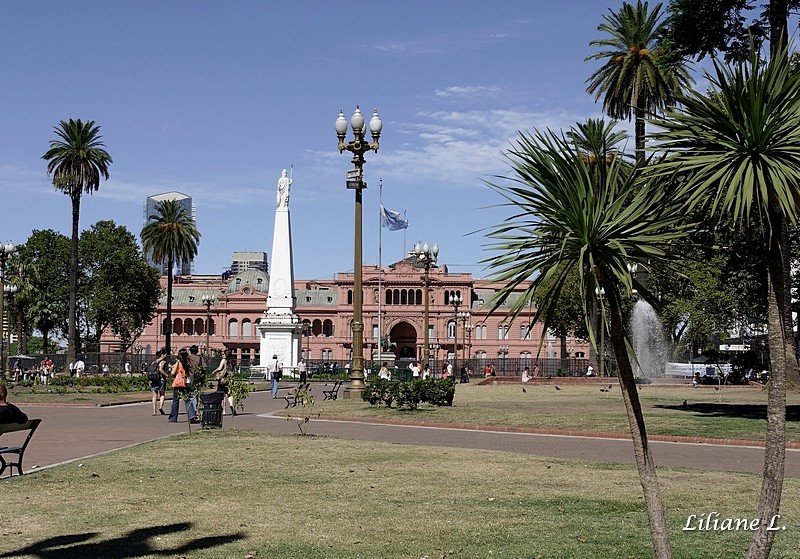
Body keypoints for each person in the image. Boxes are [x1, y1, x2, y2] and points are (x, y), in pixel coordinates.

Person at [168, 348, 199, 424]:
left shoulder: (178, 362)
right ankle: (192, 415)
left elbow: (172, 373)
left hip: (178, 383)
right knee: (187, 400)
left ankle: (173, 417)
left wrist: (173, 368)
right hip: (186, 382)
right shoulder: (187, 362)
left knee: (175, 401)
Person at [212, 350, 236, 415]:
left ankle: (224, 411)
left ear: (225, 355)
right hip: (230, 379)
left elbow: (220, 368)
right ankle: (231, 406)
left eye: (223, 354)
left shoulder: (223, 360)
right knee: (229, 394)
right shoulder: (232, 361)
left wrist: (214, 371)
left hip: (223, 379)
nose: (222, 355)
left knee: (222, 395)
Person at [149, 349, 168, 416]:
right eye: (165, 354)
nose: (166, 356)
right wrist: (166, 375)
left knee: (154, 395)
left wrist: (150, 380)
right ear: (162, 355)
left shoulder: (154, 362)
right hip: (161, 379)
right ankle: (160, 407)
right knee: (162, 394)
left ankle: (154, 411)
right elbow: (160, 369)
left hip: (154, 379)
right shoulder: (163, 362)